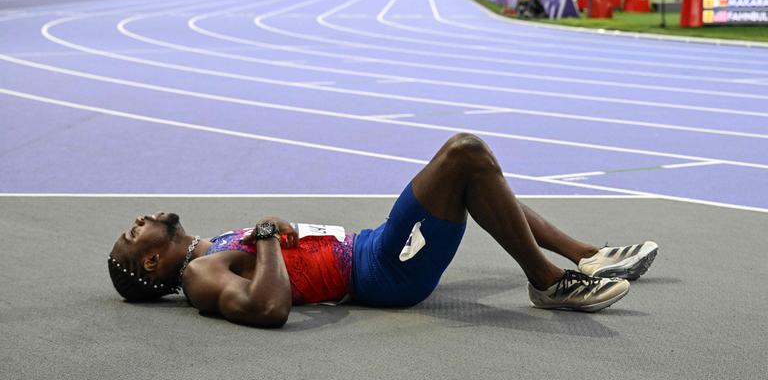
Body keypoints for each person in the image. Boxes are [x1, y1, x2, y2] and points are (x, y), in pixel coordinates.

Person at [108, 133, 658, 328]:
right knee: (464, 155)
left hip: (368, 247)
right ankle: (547, 281)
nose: (138, 223)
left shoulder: (210, 249)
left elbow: (284, 264)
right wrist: (271, 237)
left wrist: (279, 234)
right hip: (380, 272)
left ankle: (587, 255)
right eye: (133, 237)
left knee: (470, 177)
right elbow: (268, 309)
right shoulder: (201, 273)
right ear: (153, 264)